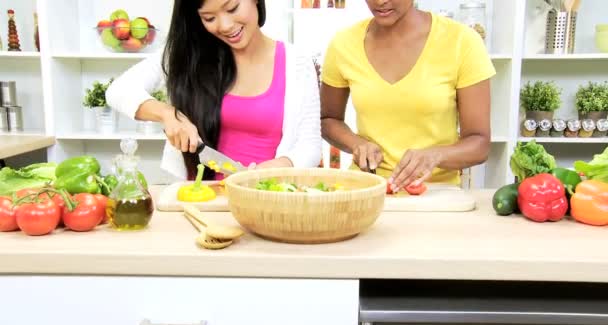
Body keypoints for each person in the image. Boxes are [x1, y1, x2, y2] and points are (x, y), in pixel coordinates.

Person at [107, 0, 321, 180]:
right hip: (202, 202)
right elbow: (118, 90)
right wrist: (168, 114)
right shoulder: (188, 55)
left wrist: (277, 167)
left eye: (233, 8)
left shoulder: (297, 62)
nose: (226, 25)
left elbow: (309, 146)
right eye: (209, 18)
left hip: (268, 198)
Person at [320, 0, 496, 192]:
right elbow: (328, 120)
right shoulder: (343, 44)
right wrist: (357, 144)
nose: (380, 1)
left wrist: (435, 155)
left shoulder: (461, 41)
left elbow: (479, 143)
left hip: (436, 194)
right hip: (369, 189)